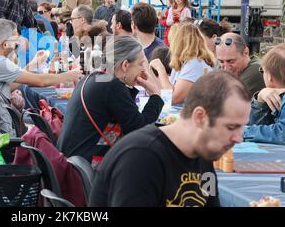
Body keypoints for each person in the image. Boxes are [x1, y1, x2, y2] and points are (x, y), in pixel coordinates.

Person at [89, 71, 251, 207]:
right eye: (231, 127)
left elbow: (210, 202)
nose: (239, 138)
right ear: (200, 117)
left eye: (242, 127)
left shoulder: (203, 155)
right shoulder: (141, 159)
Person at [57, 35, 164, 167]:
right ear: (125, 65)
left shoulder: (95, 78)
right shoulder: (111, 85)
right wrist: (156, 97)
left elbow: (125, 116)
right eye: (141, 64)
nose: (143, 69)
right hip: (85, 169)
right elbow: (139, 128)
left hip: (73, 162)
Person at [0, 19, 82, 101]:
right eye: (16, 37)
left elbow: (9, 86)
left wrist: (33, 64)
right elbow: (42, 81)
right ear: (5, 44)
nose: (20, 40)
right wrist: (70, 75)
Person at [150, 22, 215, 105]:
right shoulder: (185, 62)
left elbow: (172, 98)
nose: (170, 46)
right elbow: (163, 91)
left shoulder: (194, 63)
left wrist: (161, 69)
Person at [243, 44, 285, 144]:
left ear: (269, 76)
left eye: (262, 70)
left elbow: (281, 134)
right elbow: (256, 125)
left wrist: (243, 131)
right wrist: (260, 100)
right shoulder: (274, 97)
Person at [215, 32, 265, 97]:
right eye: (221, 61)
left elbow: (221, 101)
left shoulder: (256, 70)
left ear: (245, 52)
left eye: (231, 61)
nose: (226, 69)